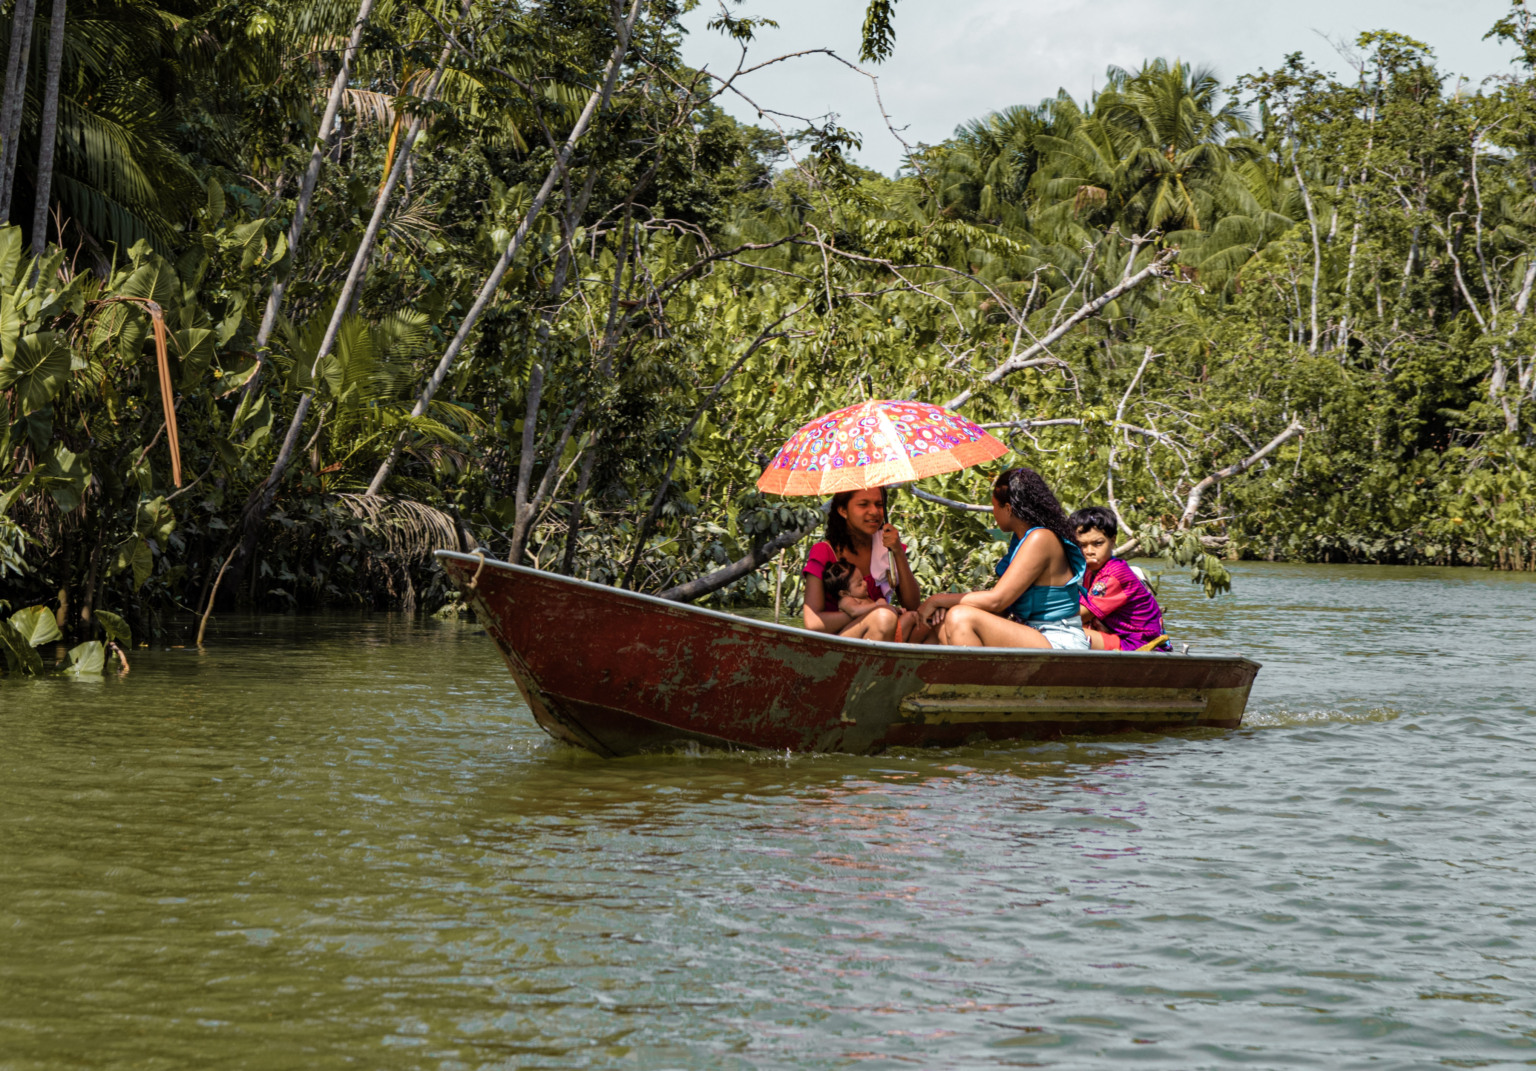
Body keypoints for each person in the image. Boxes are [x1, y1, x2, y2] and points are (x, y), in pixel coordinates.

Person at [916, 467, 1090, 650]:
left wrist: (935, 600)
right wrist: (945, 607)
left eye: (994, 506)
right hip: (1034, 633)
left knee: (960, 617)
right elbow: (1000, 610)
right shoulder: (1021, 540)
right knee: (944, 623)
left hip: (1059, 638)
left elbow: (997, 600)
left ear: (1008, 509)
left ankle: (976, 679)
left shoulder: (1041, 538)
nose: (993, 512)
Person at [802, 486, 921, 642]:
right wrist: (867, 610)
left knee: (935, 622)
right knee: (883, 618)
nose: (874, 512)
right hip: (838, 644)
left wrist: (897, 551)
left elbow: (912, 604)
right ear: (843, 510)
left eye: (879, 504)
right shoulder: (823, 552)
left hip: (883, 633)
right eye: (863, 504)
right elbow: (813, 622)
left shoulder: (888, 547)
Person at [1069, 505, 1171, 652]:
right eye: (1082, 545)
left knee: (1064, 633)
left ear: (1112, 540)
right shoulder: (1090, 571)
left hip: (1140, 645)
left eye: (1098, 544)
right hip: (1121, 637)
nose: (1089, 551)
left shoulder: (1114, 574)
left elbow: (1079, 616)